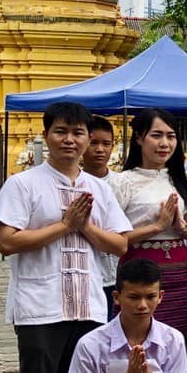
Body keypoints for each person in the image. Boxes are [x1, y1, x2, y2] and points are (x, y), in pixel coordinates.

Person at [0, 101, 132, 373]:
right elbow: (6, 241)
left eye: (77, 133)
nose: (69, 140)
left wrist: (84, 227)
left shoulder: (99, 188)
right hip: (40, 304)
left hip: (87, 303)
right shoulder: (23, 185)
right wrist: (64, 226)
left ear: (88, 139)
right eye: (61, 131)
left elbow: (120, 244)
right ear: (46, 136)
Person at [111, 109, 187, 373]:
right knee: (140, 338)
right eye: (157, 135)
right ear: (139, 138)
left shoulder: (186, 180)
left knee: (177, 342)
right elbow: (114, 238)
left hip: (179, 273)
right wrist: (156, 226)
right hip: (138, 271)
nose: (165, 143)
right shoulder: (122, 182)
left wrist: (181, 228)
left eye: (171, 136)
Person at [82, 117, 119, 295]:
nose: (100, 149)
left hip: (118, 271)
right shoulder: (75, 183)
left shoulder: (122, 183)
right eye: (94, 143)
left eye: (106, 144)